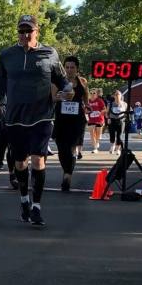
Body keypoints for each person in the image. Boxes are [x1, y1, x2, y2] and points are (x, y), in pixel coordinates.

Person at [0, 14, 68, 228]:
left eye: (29, 31)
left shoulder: (49, 53)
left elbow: (61, 78)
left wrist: (67, 91)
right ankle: (24, 199)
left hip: (42, 115)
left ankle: (36, 206)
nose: (25, 35)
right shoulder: (7, 54)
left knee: (38, 161)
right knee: (20, 163)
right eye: (21, 31)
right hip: (15, 117)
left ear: (37, 31)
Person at [52, 56, 89, 192]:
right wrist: (62, 97)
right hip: (61, 119)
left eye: (72, 67)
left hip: (77, 120)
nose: (69, 70)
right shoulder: (57, 82)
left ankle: (67, 175)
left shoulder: (83, 81)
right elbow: (52, 97)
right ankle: (66, 170)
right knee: (62, 149)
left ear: (77, 68)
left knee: (72, 147)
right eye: (67, 67)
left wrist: (87, 106)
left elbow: (86, 97)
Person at [107, 89, 129, 155]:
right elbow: (107, 112)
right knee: (112, 135)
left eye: (118, 94)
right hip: (112, 120)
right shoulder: (110, 104)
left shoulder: (125, 104)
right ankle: (112, 146)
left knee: (119, 136)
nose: (117, 96)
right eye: (116, 95)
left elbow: (127, 113)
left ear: (121, 95)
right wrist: (108, 118)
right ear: (113, 96)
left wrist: (126, 118)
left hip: (121, 120)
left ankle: (118, 149)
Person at [86, 87, 106, 153]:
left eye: (94, 93)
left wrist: (100, 112)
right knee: (92, 133)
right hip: (91, 119)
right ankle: (95, 148)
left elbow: (104, 109)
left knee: (97, 133)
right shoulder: (87, 101)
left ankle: (97, 142)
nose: (92, 94)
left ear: (96, 94)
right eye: (91, 93)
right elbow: (85, 109)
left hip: (99, 119)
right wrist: (87, 111)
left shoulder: (99, 100)